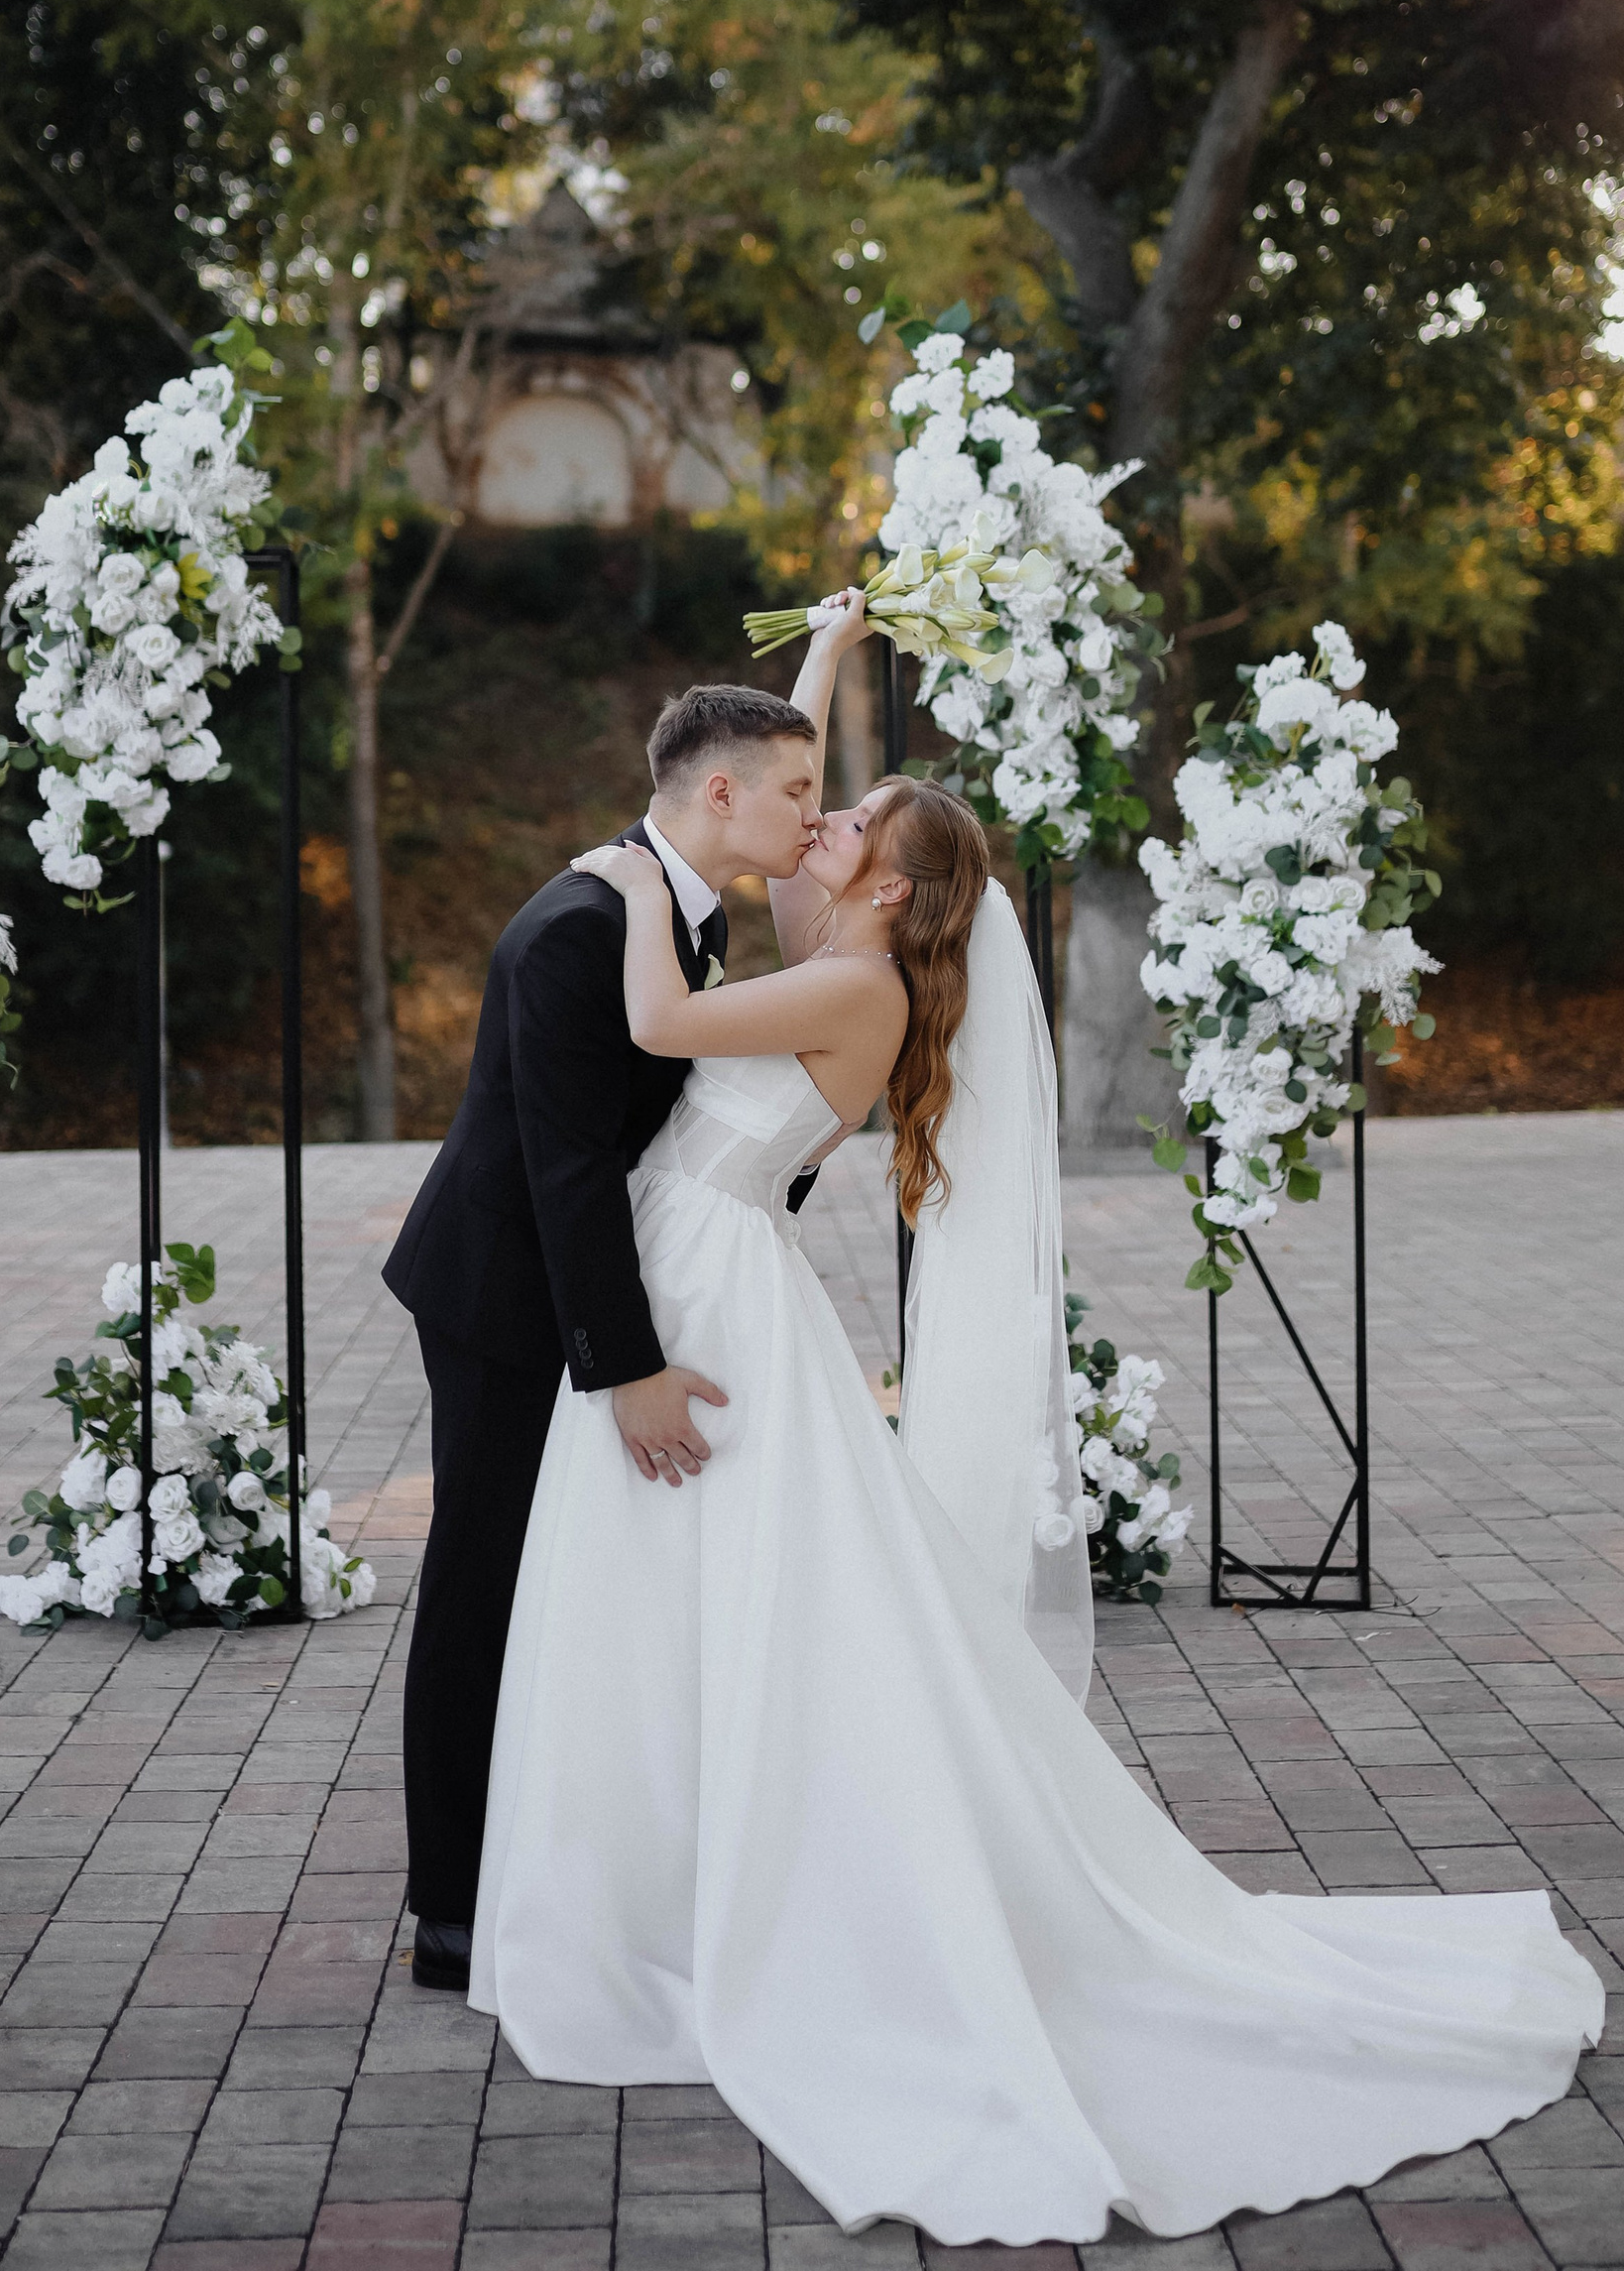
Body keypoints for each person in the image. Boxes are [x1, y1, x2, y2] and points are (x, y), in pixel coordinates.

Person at [466, 594, 1603, 2245]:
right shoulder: (838, 944)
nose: (819, 822)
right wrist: (828, 659)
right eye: (817, 803)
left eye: (849, 821)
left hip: (709, 1286)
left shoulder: (854, 991)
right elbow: (766, 812)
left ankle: (735, 1904)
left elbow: (657, 1016)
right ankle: (656, 1880)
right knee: (669, 1592)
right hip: (691, 1265)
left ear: (888, 887)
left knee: (730, 1581)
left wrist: (643, 878)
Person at [381, 678, 826, 1989]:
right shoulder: (584, 926)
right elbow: (565, 1166)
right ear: (722, 794)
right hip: (500, 1292)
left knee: (549, 1579)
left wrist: (829, 654)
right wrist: (625, 1368)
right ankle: (451, 1911)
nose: (815, 814)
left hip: (559, 1274)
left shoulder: (686, 901)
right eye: (798, 791)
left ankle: (549, 1856)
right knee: (480, 1583)